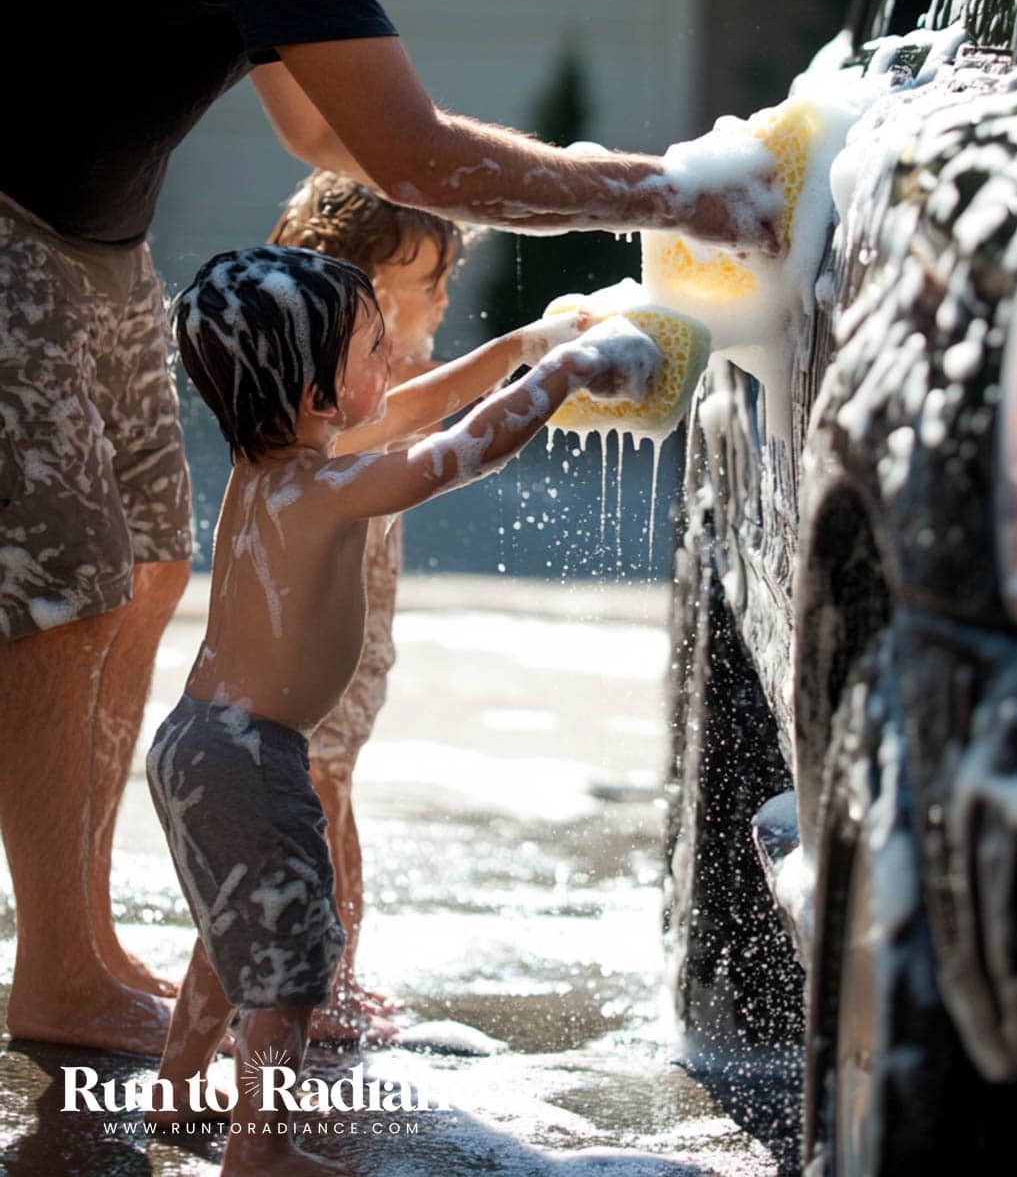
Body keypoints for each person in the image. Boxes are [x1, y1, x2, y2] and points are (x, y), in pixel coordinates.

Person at [0, 0, 779, 1055]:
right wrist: (669, 193)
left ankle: (78, 939)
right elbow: (405, 149)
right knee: (59, 591)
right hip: (7, 226)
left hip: (84, 236)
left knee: (150, 562)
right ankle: (60, 967)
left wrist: (529, 261)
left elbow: (326, 135)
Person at [144, 243, 654, 1173]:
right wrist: (565, 377)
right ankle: (260, 1152)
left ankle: (177, 1095)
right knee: (291, 960)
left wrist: (522, 344)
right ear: (316, 399)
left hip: (196, 741)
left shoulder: (280, 468)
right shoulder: (325, 485)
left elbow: (417, 410)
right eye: (373, 350)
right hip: (248, 753)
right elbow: (451, 455)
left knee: (233, 932)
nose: (394, 365)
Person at [268, 172, 496, 1042]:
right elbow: (419, 417)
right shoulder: (320, 400)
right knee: (316, 788)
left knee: (333, 782)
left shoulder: (374, 371)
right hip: (309, 637)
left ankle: (332, 977)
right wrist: (519, 364)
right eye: (428, 283)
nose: (445, 299)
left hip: (357, 629)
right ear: (353, 295)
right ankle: (311, 988)